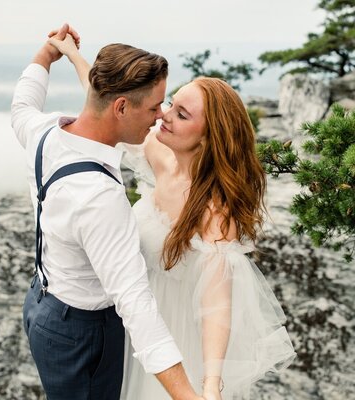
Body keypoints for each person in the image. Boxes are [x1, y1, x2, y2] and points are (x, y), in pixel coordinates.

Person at [49, 32, 297, 400]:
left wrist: (211, 382)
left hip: (172, 335)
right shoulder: (161, 157)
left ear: (208, 137)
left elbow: (218, 304)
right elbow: (109, 104)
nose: (163, 115)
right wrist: (71, 55)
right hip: (128, 322)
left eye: (181, 114)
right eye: (170, 104)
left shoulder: (214, 210)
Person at [11, 23, 205, 400]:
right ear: (120, 107)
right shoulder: (100, 198)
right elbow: (134, 302)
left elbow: (22, 105)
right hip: (84, 334)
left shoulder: (46, 130)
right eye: (154, 106)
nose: (160, 115)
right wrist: (187, 395)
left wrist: (48, 55)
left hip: (41, 304)